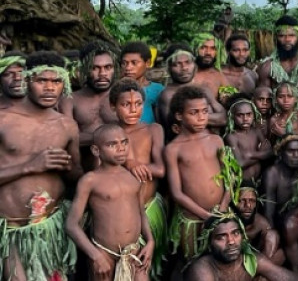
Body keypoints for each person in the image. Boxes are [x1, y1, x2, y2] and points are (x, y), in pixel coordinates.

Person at [0, 51, 81, 281]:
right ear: (26, 80)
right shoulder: (3, 121)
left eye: (56, 81)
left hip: (52, 227)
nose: (49, 88)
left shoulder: (67, 125)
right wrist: (30, 165)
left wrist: (68, 168)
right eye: (41, 81)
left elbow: (76, 176)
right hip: (12, 231)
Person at [66, 124, 155, 281]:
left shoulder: (133, 177)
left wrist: (150, 241)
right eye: (112, 144)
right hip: (104, 253)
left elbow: (141, 213)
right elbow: (71, 225)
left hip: (133, 251)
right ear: (96, 150)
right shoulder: (90, 180)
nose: (121, 148)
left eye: (124, 142)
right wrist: (95, 255)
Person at [164, 86, 231, 264]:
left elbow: (229, 178)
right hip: (193, 220)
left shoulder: (216, 140)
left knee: (224, 262)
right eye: (194, 113)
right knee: (193, 264)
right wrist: (205, 215)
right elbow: (176, 193)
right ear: (179, 116)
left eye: (204, 111)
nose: (201, 117)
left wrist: (223, 207)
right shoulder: (173, 149)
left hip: (221, 213)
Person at [111, 78, 167, 278]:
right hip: (121, 213)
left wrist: (134, 165)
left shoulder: (153, 130)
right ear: (113, 107)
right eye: (126, 105)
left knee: (149, 268)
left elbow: (160, 169)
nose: (133, 110)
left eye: (138, 104)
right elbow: (103, 174)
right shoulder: (108, 134)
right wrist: (129, 162)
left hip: (149, 207)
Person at [183, 213, 298, 281]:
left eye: (235, 233)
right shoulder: (201, 270)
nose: (231, 241)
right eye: (221, 237)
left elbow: (288, 277)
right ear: (209, 243)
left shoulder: (251, 260)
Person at [60, 41, 118, 171]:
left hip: (121, 171)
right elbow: (68, 139)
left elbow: (134, 132)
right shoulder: (69, 100)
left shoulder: (123, 97)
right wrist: (109, 137)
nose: (102, 73)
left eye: (108, 67)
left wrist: (89, 137)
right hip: (83, 170)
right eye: (95, 67)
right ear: (84, 69)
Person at [262, 135, 298, 225]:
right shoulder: (272, 174)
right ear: (281, 152)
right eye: (291, 151)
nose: (296, 155)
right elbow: (268, 214)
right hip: (279, 224)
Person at [234, 185, 285, 266]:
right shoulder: (230, 221)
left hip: (257, 262)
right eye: (242, 200)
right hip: (235, 263)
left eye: (252, 201)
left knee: (273, 236)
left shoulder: (261, 223)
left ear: (256, 204)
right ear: (234, 202)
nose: (248, 205)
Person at [225, 98, 273, 183]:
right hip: (243, 182)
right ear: (233, 116)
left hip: (259, 180)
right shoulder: (232, 137)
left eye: (249, 114)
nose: (245, 118)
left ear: (254, 115)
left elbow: (270, 153)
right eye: (240, 115)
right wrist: (261, 155)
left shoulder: (256, 131)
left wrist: (251, 154)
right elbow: (240, 164)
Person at [119, 42, 163, 125]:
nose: (128, 68)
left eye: (134, 63)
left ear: (148, 63)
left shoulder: (157, 90)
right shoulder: (116, 90)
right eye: (124, 63)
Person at [257, 16, 298, 87]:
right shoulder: (268, 67)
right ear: (276, 38)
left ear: (297, 37)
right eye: (282, 36)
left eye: (291, 35)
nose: (287, 39)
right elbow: (263, 95)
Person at [192, 33, 230, 103]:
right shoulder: (186, 73)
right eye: (203, 47)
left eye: (213, 48)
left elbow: (230, 98)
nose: (208, 52)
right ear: (195, 49)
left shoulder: (219, 75)